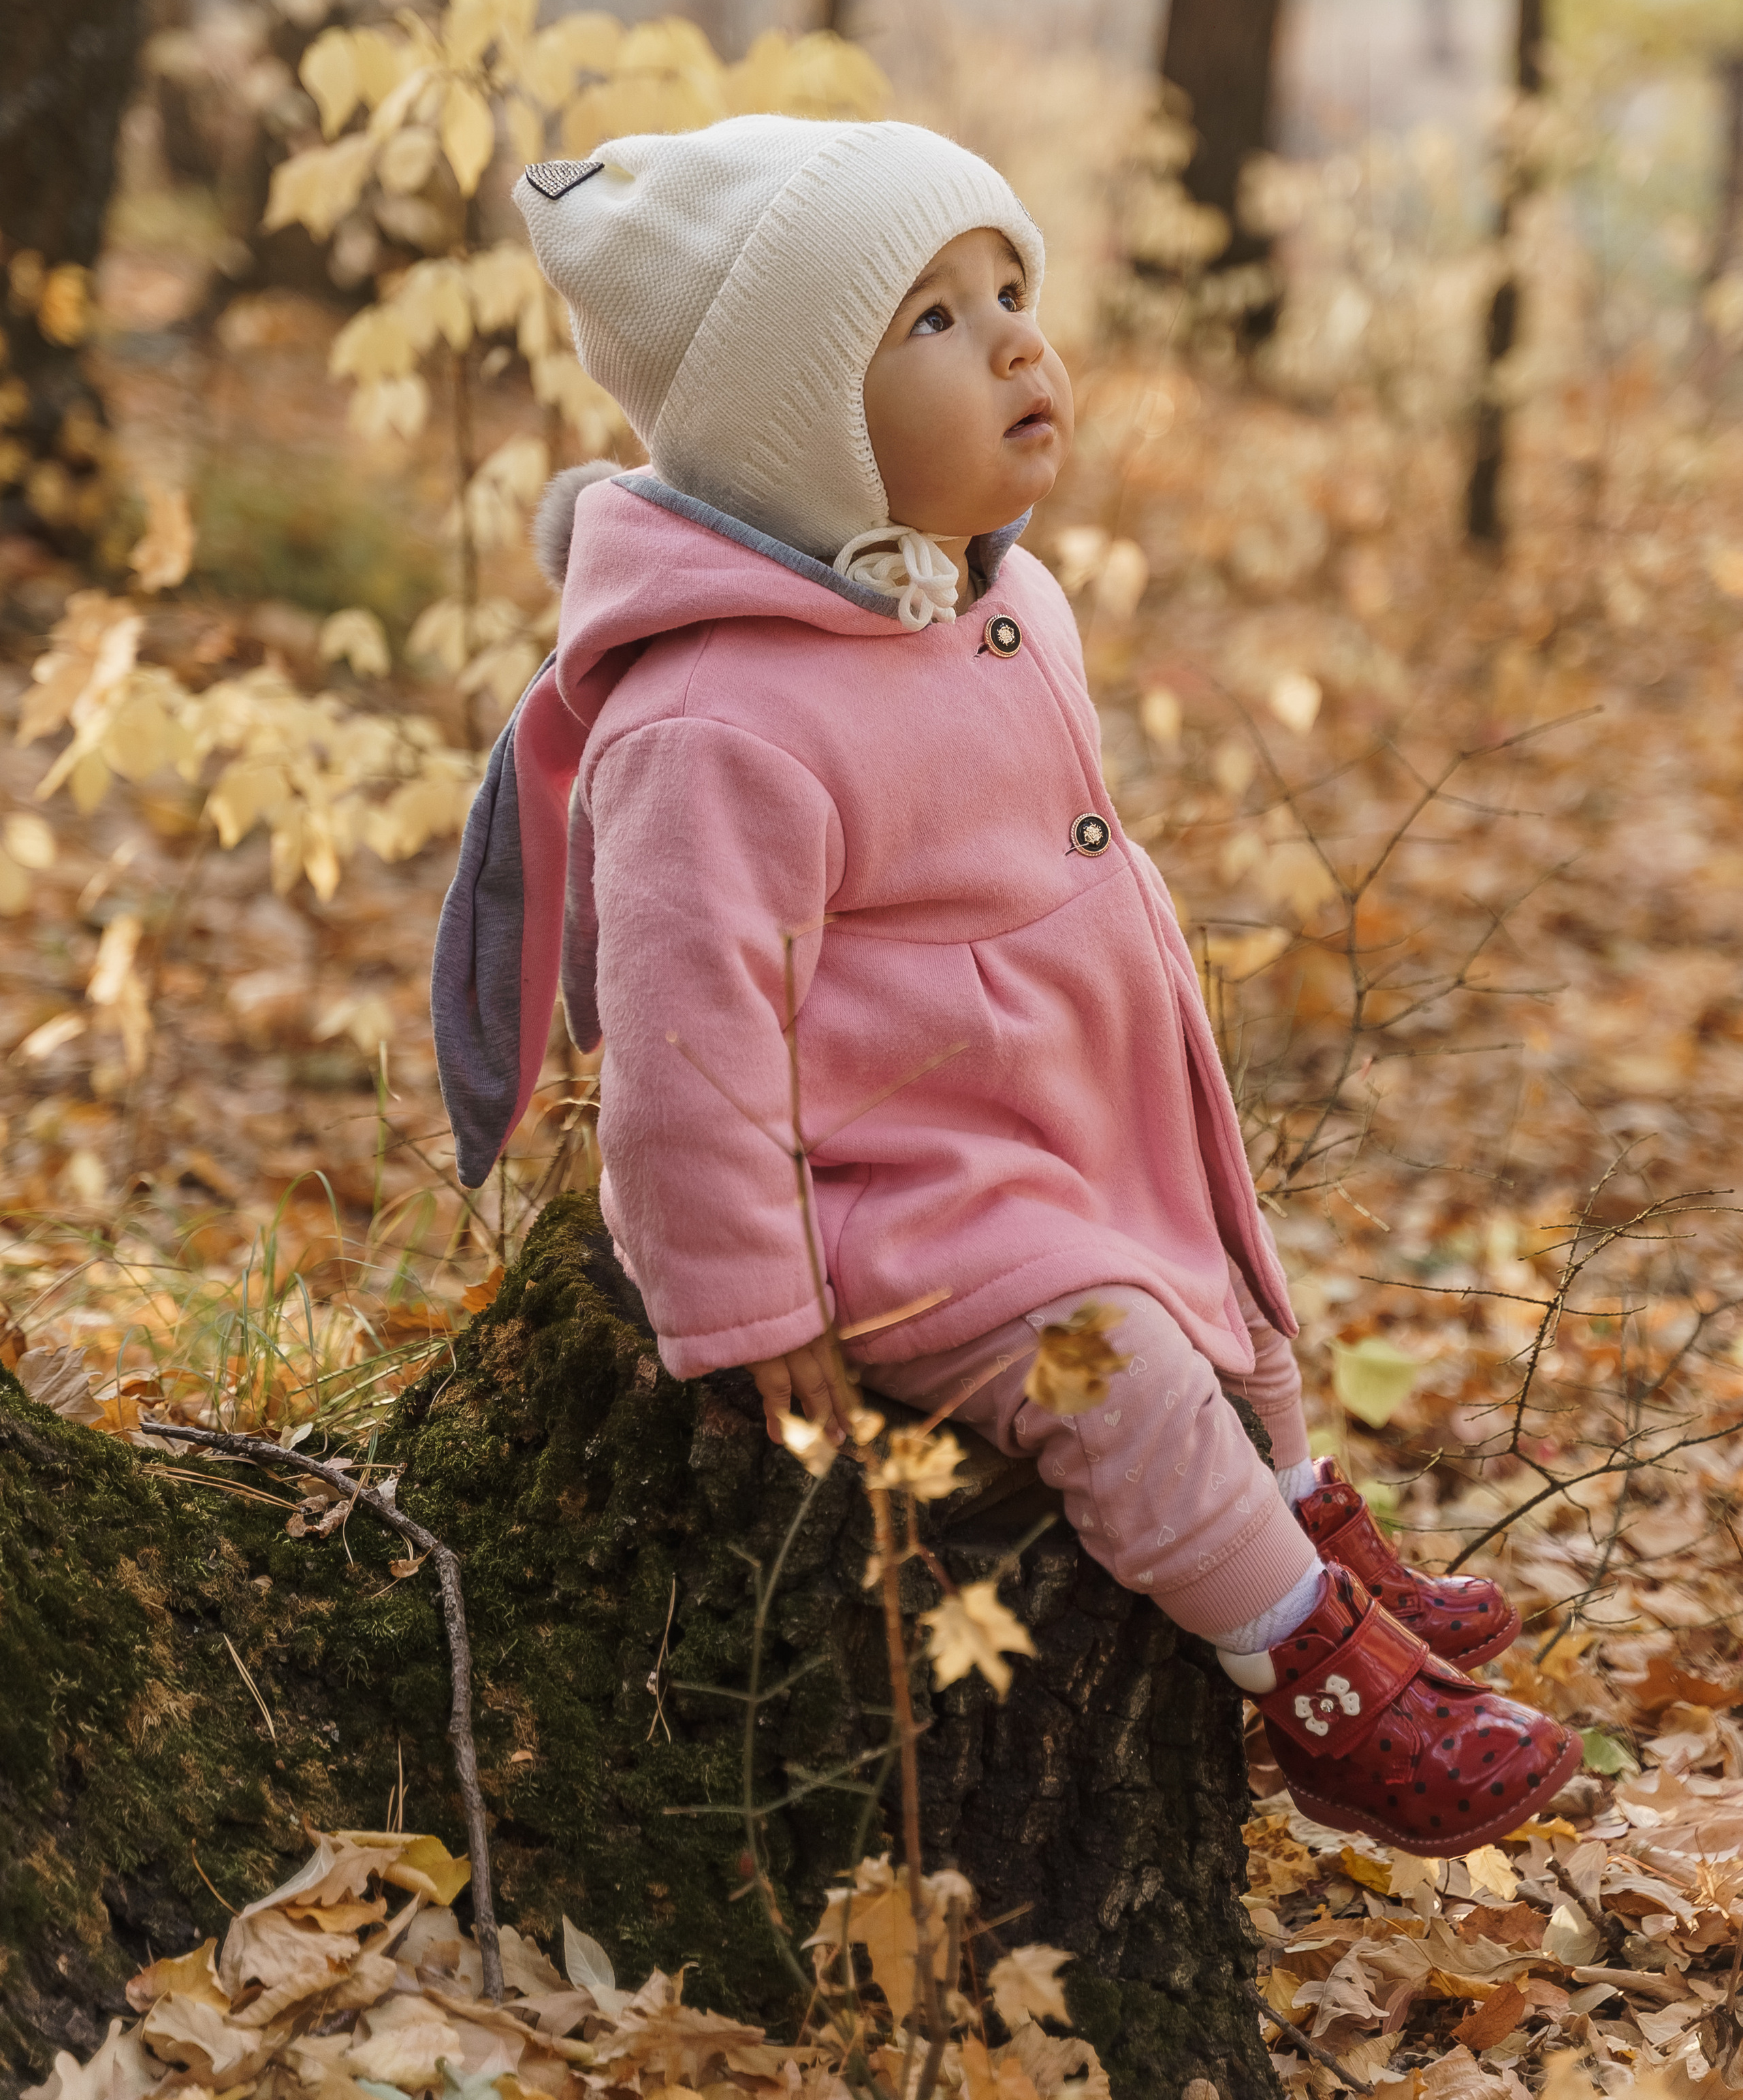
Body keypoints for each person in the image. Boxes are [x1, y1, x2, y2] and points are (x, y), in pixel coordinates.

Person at [432, 114, 1578, 1856]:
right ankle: (1307, 1671)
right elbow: (683, 1045)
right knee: (1114, 1363)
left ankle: (1295, 1510)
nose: (1018, 344)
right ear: (797, 430)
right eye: (932, 324)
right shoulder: (714, 718)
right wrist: (745, 1299)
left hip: (1060, 1108)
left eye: (1009, 290)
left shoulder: (1000, 596)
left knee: (1223, 1289)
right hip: (910, 1192)